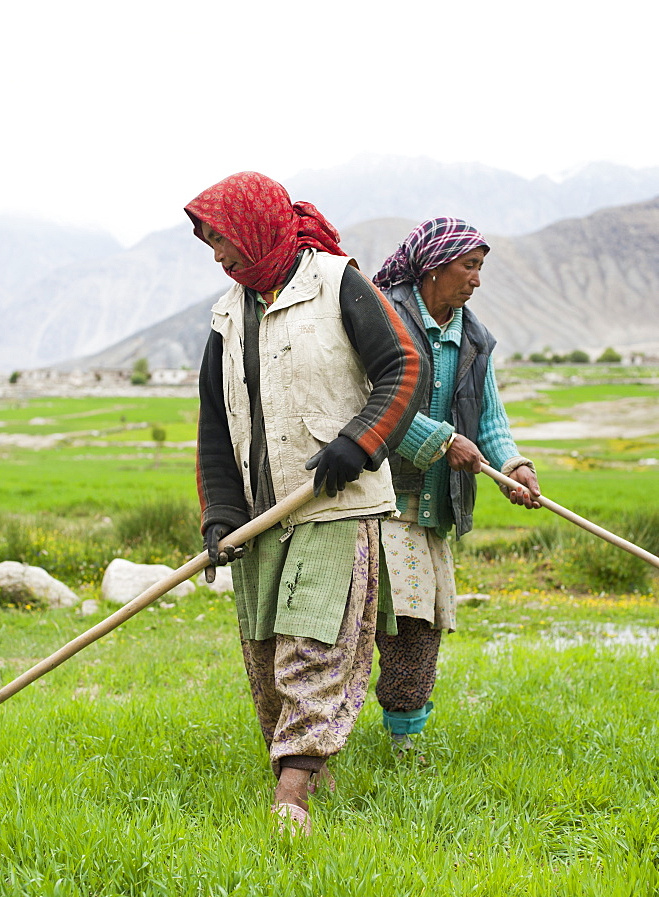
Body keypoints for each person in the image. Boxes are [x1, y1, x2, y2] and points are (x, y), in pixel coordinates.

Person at [185, 171, 427, 833]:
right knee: (266, 661)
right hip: (265, 515)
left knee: (313, 645)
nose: (216, 254)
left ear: (256, 227)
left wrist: (360, 442)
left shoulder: (337, 282)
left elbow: (405, 366)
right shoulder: (228, 314)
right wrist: (220, 517)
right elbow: (215, 422)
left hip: (334, 504)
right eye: (209, 242)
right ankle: (302, 770)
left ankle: (290, 800)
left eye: (222, 238)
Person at [371, 217, 541, 749]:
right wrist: (442, 441)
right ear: (434, 267)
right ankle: (317, 746)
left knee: (418, 630)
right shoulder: (382, 317)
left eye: (480, 268)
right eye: (469, 266)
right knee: (356, 627)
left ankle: (405, 744)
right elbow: (365, 399)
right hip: (372, 503)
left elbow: (489, 416)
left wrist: (512, 467)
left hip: (432, 508)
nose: (476, 280)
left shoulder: (473, 336)